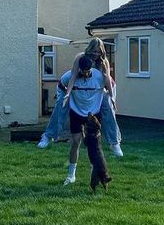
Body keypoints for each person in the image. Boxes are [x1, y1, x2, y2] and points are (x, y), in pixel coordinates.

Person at [38, 37, 123, 156]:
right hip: (70, 86)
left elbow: (107, 80)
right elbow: (73, 77)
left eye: (98, 52)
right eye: (94, 51)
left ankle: (114, 142)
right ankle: (48, 136)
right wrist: (67, 94)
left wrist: (112, 97)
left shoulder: (103, 62)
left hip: (101, 87)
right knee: (61, 107)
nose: (96, 54)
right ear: (89, 50)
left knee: (108, 108)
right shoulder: (80, 58)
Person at [55, 54, 105, 185]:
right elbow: (60, 85)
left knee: (94, 145)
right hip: (76, 111)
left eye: (88, 71)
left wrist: (111, 98)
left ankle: (94, 174)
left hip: (93, 113)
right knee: (76, 141)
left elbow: (111, 84)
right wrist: (64, 96)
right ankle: (71, 175)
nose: (85, 73)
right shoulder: (70, 76)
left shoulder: (99, 77)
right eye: (83, 71)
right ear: (79, 69)